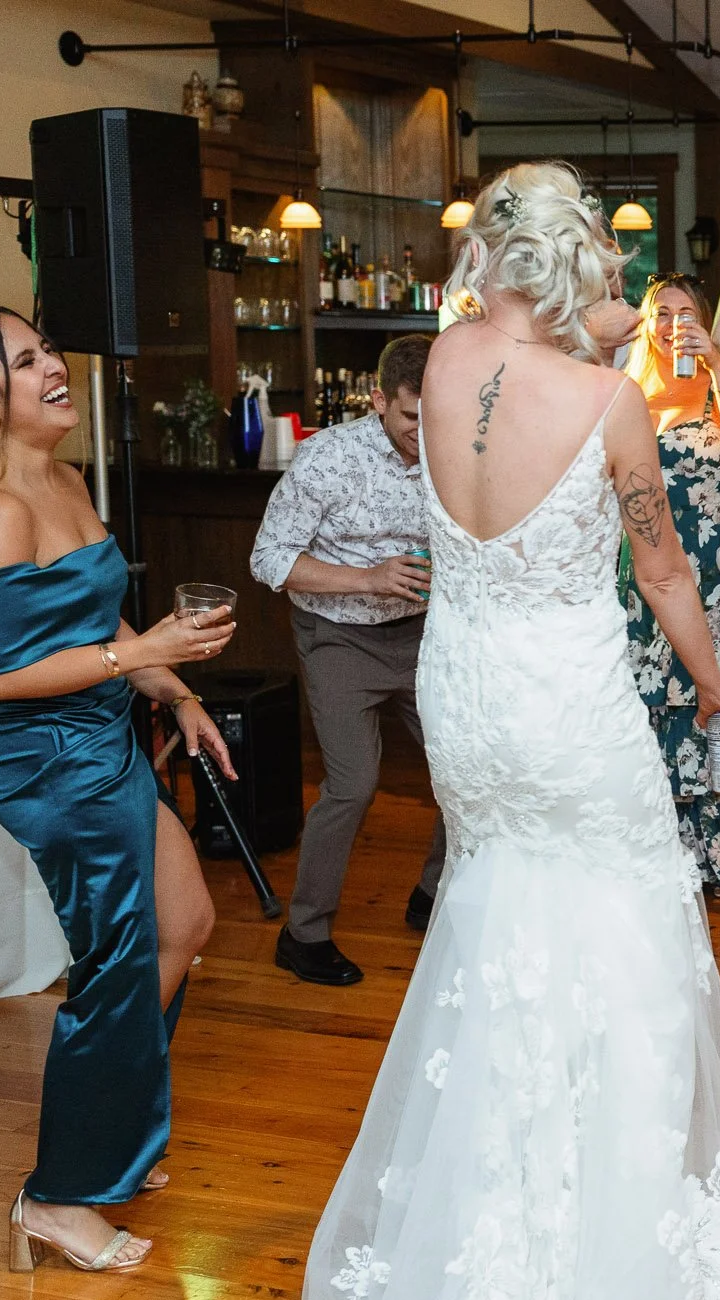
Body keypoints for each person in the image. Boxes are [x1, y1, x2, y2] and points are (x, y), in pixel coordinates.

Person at [300, 163, 720, 1300]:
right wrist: (717, 681)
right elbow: (665, 570)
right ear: (576, 261)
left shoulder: (442, 356)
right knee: (624, 944)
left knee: (501, 927)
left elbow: (530, 354)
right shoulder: (607, 399)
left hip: (463, 700)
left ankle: (481, 1229)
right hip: (565, 704)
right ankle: (597, 1253)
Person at [0, 304, 236, 1273]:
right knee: (118, 962)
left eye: (49, 350)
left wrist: (173, 686)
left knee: (184, 927)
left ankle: (114, 1129)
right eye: (26, 363)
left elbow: (95, 618)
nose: (56, 369)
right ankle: (59, 1194)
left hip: (104, 738)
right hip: (51, 766)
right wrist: (137, 652)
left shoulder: (63, 475)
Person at [250, 334, 448, 986]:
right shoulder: (326, 458)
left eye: (436, 416)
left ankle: (430, 894)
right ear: (377, 402)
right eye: (412, 417)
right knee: (354, 781)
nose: (425, 432)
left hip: (423, 632)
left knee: (464, 766)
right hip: (338, 636)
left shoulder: (456, 450)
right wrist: (369, 578)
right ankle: (303, 934)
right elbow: (270, 560)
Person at [618, 272, 720, 897]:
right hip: (647, 576)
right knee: (661, 701)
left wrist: (717, 362)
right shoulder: (626, 394)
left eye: (685, 313)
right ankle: (666, 858)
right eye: (660, 313)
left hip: (718, 576)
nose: (671, 325)